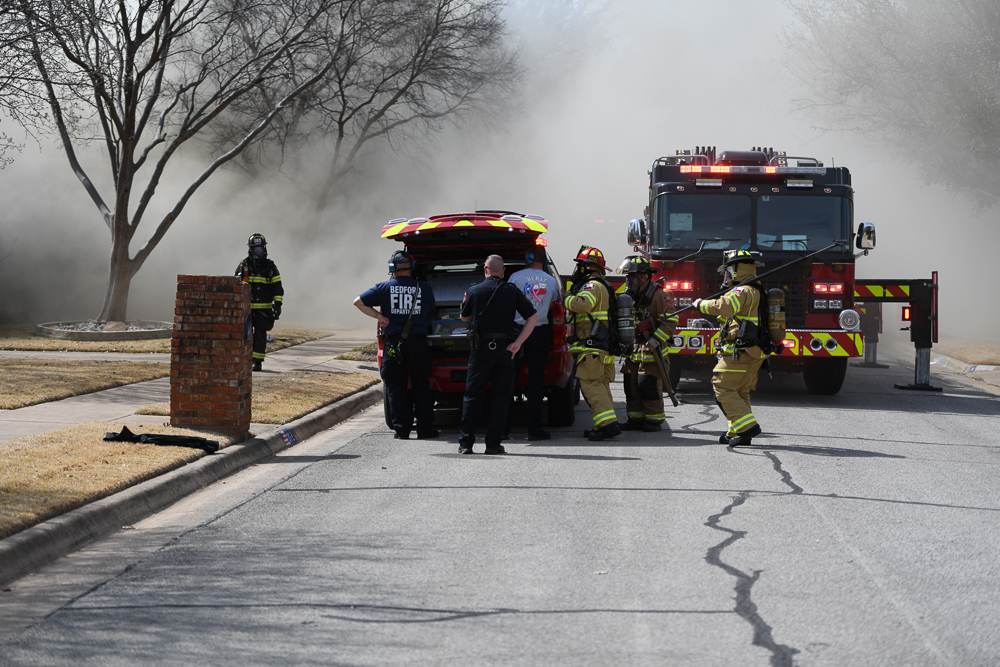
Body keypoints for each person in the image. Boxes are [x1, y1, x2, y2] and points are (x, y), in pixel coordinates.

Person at [458, 255, 538, 455]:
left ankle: (466, 444)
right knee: (501, 397)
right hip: (505, 349)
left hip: (480, 349)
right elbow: (533, 317)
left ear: (485, 270)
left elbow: (463, 316)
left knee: (472, 396)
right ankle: (493, 444)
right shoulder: (512, 291)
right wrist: (518, 343)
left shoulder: (474, 290)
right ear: (503, 271)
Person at [354, 250, 438, 440]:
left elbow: (357, 302)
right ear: (412, 268)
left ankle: (402, 430)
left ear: (392, 268)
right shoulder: (423, 288)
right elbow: (431, 308)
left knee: (395, 386)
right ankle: (424, 429)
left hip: (394, 345)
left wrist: (379, 316)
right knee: (421, 384)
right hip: (417, 343)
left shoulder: (383, 288)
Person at [692, 249, 766, 447]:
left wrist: (701, 305)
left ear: (735, 270)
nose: (726, 276)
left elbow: (725, 307)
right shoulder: (758, 289)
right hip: (754, 350)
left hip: (741, 350)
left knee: (722, 386)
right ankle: (736, 431)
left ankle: (748, 428)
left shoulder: (742, 291)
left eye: (727, 271)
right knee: (740, 390)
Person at [564, 246, 620, 441]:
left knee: (591, 385)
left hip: (592, 347)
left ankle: (607, 425)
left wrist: (566, 299)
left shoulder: (591, 286)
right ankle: (604, 424)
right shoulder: (604, 285)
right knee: (601, 386)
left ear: (587, 267)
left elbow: (583, 305)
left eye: (580, 265)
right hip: (602, 347)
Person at [616, 256, 678, 432]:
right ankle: (634, 419)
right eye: (628, 277)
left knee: (648, 386)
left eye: (632, 277)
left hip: (652, 349)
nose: (629, 281)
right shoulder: (631, 296)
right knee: (630, 386)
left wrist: (655, 339)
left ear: (644, 277)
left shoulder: (659, 295)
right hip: (633, 348)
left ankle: (654, 420)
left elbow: (671, 320)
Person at [505, 246, 558, 440]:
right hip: (539, 333)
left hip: (517, 333)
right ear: (544, 262)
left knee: (509, 381)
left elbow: (508, 304)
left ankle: (503, 429)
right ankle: (534, 430)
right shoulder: (551, 281)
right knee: (536, 384)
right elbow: (551, 307)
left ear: (527, 258)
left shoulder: (515, 278)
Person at [235, 233, 283, 372]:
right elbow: (234, 283)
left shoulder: (270, 266)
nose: (257, 252)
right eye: (255, 249)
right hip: (247, 308)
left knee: (260, 336)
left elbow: (277, 287)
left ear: (264, 249)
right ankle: (245, 360)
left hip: (263, 309)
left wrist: (278, 305)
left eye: (260, 249)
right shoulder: (244, 265)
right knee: (246, 335)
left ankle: (257, 362)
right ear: (250, 250)